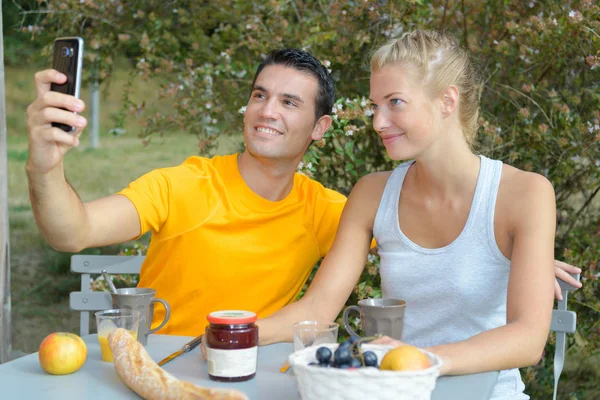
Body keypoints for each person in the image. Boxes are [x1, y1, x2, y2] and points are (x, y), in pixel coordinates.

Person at [26, 46, 579, 341]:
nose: (267, 111)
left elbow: (424, 237)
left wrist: (515, 252)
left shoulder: (329, 211)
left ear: (319, 128)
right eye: (260, 95)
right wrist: (45, 166)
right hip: (169, 361)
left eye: (290, 103)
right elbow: (69, 231)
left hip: (255, 373)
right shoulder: (180, 185)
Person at [256, 30, 568, 399]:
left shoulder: (525, 194)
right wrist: (239, 331)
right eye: (375, 106)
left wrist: (421, 359)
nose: (378, 122)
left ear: (447, 101)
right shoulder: (372, 193)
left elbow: (528, 339)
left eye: (395, 102)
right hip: (395, 389)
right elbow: (319, 308)